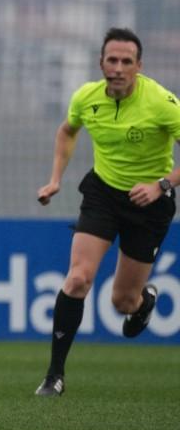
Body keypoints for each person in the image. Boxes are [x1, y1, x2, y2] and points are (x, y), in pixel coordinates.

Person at [35, 27, 177, 397]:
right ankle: (54, 376)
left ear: (138, 66)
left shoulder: (160, 102)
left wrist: (162, 184)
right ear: (100, 63)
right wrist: (55, 179)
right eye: (111, 60)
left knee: (121, 302)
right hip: (102, 194)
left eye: (125, 62)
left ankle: (143, 302)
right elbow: (67, 131)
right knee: (78, 279)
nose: (117, 68)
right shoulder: (86, 97)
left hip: (149, 205)